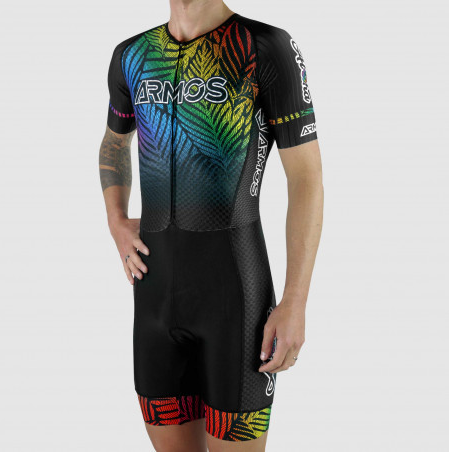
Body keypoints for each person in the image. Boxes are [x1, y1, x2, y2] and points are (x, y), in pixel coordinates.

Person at [99, 0, 323, 450]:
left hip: (237, 300)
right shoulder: (131, 54)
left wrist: (295, 301)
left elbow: (306, 178)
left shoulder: (264, 46)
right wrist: (117, 220)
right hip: (153, 299)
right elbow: (113, 143)